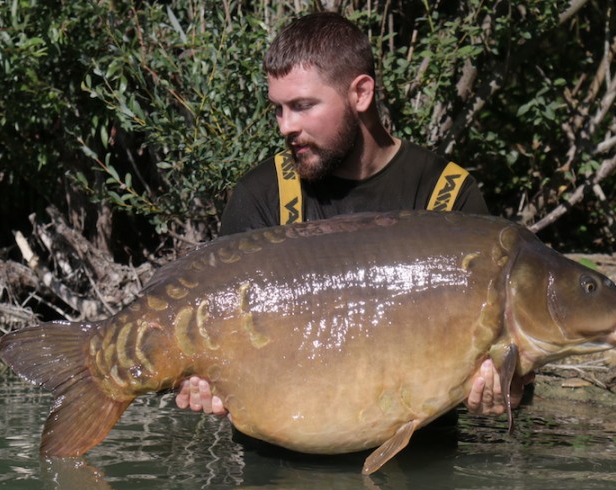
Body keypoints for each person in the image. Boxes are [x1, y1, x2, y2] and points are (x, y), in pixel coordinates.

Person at [176, 11, 526, 419]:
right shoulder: (262, 194)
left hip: (420, 465)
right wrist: (195, 381)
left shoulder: (445, 195)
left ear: (361, 93)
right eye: (278, 109)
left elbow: (505, 367)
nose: (285, 126)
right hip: (276, 470)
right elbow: (213, 336)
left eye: (302, 106)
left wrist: (508, 391)